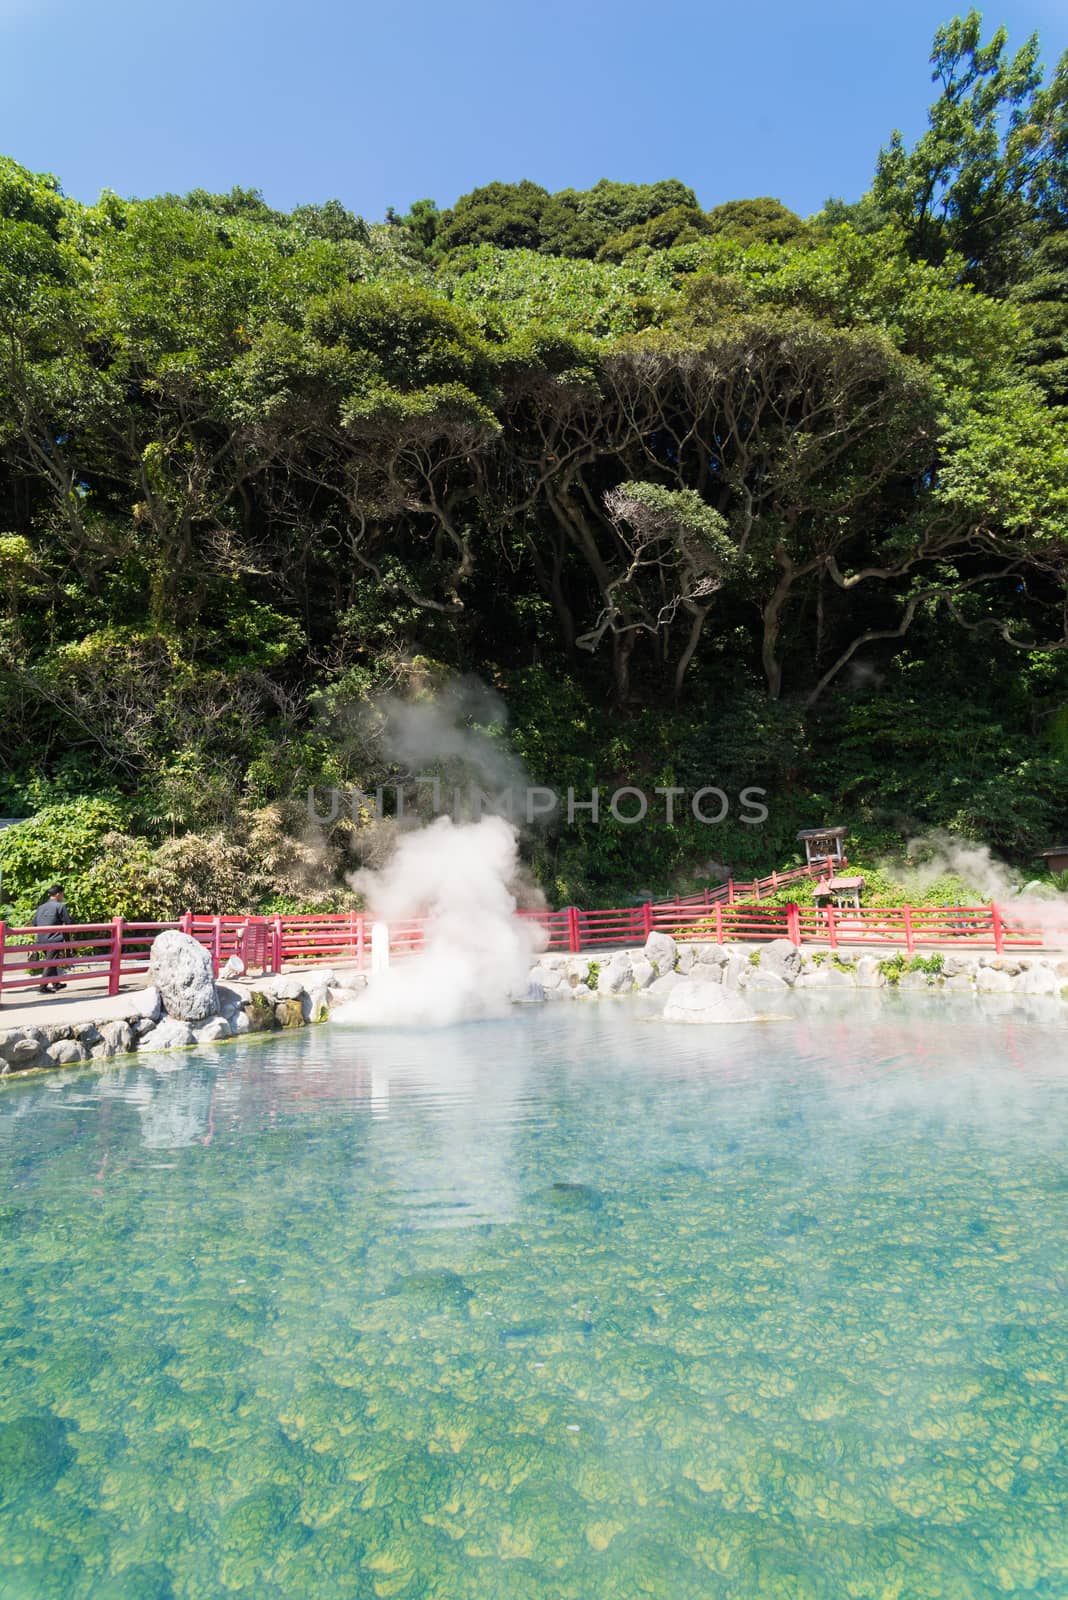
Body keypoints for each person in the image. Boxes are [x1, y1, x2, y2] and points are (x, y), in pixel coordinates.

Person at [32, 885, 73, 993]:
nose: (63, 896)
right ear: (58, 894)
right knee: (50, 962)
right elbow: (69, 922)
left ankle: (56, 983)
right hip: (54, 938)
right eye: (63, 894)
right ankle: (42, 987)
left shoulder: (41, 907)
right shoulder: (60, 906)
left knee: (51, 961)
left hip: (41, 938)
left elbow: (34, 923)